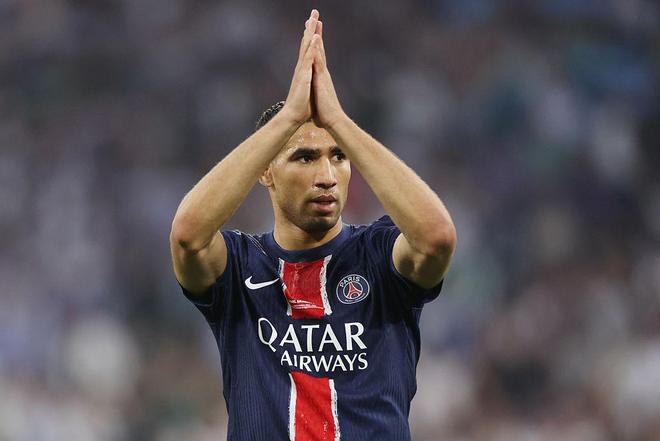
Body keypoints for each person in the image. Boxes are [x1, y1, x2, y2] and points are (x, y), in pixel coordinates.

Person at [170, 9, 456, 441]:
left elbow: (437, 238)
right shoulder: (240, 266)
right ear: (265, 172)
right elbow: (187, 237)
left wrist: (338, 120)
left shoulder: (379, 254)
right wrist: (288, 117)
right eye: (304, 157)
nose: (326, 176)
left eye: (338, 157)